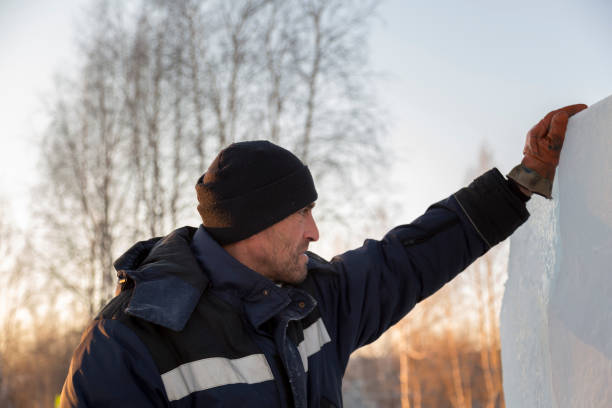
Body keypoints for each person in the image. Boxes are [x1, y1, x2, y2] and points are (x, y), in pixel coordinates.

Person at [60, 104, 586, 407]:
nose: (315, 231)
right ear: (253, 222)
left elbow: (411, 257)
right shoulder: (131, 341)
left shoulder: (314, 300)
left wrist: (527, 176)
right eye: (303, 213)